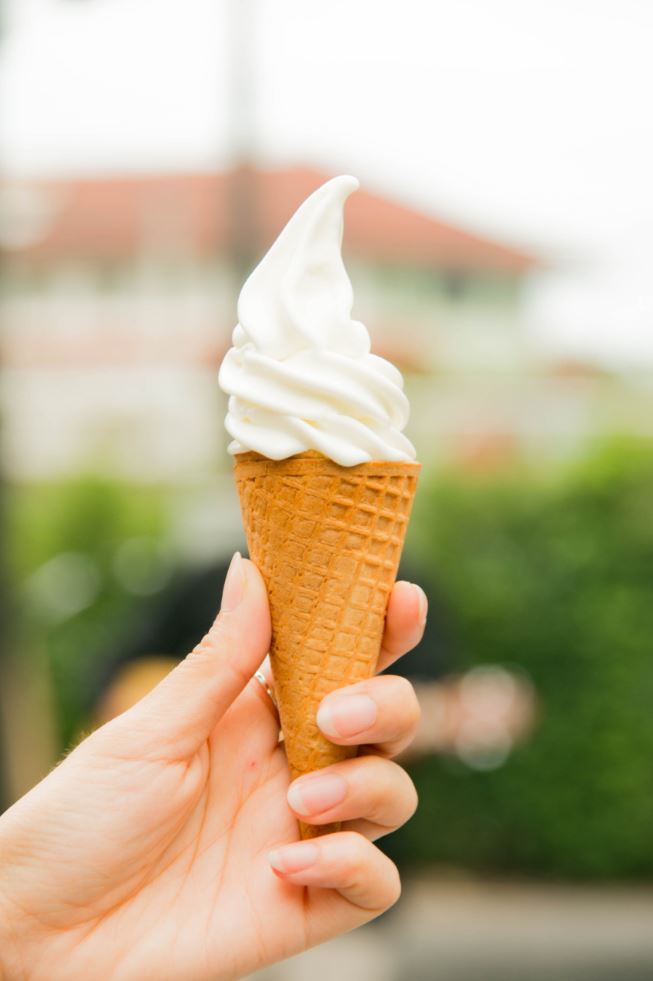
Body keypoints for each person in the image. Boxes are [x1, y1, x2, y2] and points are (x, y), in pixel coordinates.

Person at [0, 554, 426, 980]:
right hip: (225, 887)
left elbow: (420, 706)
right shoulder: (196, 583)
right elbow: (113, 678)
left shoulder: (392, 580)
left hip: (326, 895)